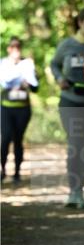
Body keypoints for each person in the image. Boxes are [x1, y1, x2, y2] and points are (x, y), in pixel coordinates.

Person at [50, 8, 84, 209]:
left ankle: (79, 190)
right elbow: (54, 64)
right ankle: (73, 190)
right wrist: (59, 79)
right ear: (80, 23)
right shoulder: (67, 44)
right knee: (76, 144)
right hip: (70, 101)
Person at [0, 36, 39, 184]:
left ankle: (16, 173)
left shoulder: (27, 65)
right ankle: (3, 170)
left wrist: (28, 81)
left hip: (23, 110)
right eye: (12, 47)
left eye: (18, 47)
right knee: (5, 139)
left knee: (18, 140)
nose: (15, 49)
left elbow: (36, 88)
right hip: (6, 108)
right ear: (8, 49)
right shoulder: (2, 64)